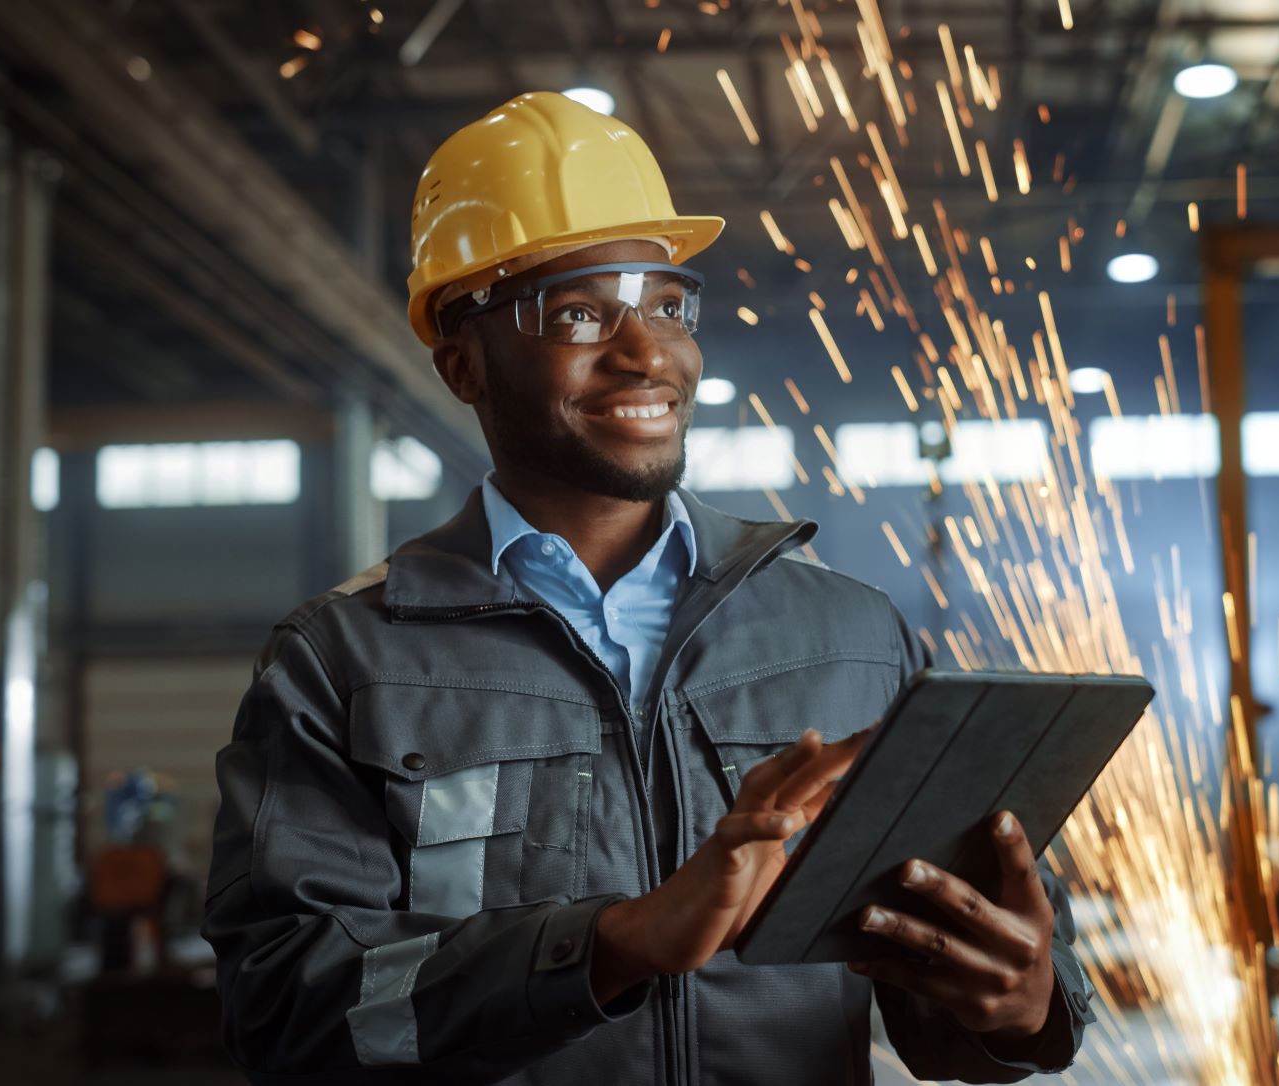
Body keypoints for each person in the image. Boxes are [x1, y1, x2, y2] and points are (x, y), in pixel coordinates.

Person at [203, 92, 1095, 1085]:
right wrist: (614, 945)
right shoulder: (345, 660)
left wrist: (1020, 1008)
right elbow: (287, 1018)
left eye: (667, 306)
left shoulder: (849, 636)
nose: (646, 354)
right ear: (462, 364)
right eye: (578, 311)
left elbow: (938, 986)